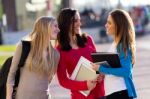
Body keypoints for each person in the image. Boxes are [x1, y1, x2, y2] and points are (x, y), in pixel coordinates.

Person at [6, 16, 60, 99]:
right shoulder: (23, 47)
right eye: (55, 26)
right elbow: (11, 74)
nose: (58, 30)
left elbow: (49, 80)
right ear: (45, 27)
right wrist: (8, 97)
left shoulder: (56, 54)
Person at [56, 8, 105, 99]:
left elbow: (98, 64)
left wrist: (101, 73)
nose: (79, 24)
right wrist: (85, 85)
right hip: (80, 96)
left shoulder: (88, 40)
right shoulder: (59, 51)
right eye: (75, 21)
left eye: (79, 20)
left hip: (100, 93)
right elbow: (63, 81)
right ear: (65, 24)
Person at [92, 9, 137, 99]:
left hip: (120, 92)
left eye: (109, 23)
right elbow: (115, 68)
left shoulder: (122, 45)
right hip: (114, 92)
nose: (106, 25)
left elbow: (126, 71)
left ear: (118, 26)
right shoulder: (115, 44)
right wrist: (103, 73)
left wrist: (102, 68)